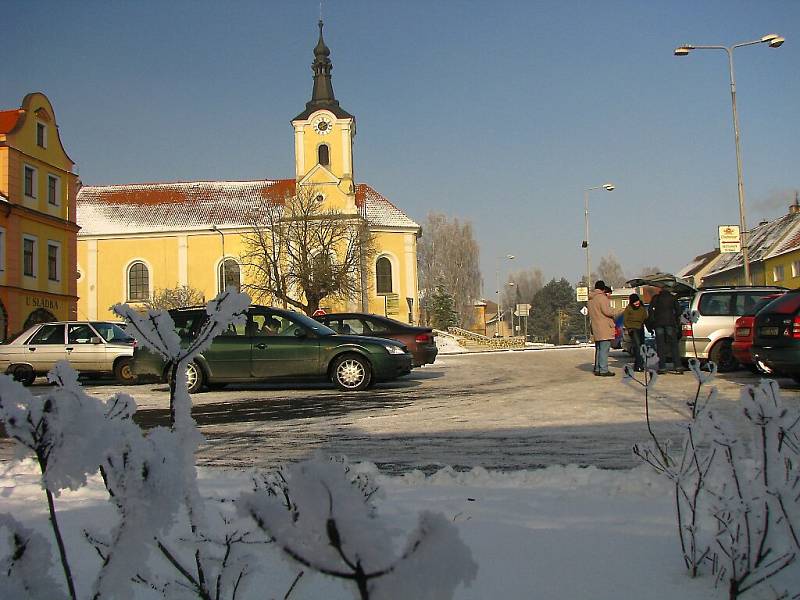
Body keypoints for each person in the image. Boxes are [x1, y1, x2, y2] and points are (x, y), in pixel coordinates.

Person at [648, 287, 683, 374]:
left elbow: (650, 310)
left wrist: (653, 320)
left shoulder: (656, 298)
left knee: (660, 346)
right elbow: (679, 311)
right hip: (670, 323)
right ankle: (678, 366)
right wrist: (674, 317)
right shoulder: (672, 298)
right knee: (673, 345)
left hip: (658, 324)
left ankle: (662, 367)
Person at [588, 280, 617, 377]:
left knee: (599, 349)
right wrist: (618, 311)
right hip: (604, 327)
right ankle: (603, 369)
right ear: (603, 288)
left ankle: (597, 368)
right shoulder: (602, 298)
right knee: (604, 349)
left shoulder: (591, 299)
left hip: (595, 326)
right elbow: (607, 311)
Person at [623, 293, 648, 372]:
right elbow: (625, 320)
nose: (636, 303)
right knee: (637, 347)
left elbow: (646, 318)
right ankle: (639, 365)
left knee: (641, 346)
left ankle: (638, 364)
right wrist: (629, 328)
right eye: (634, 302)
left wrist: (649, 327)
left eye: (637, 301)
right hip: (633, 329)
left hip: (640, 328)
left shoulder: (642, 308)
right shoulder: (628, 309)